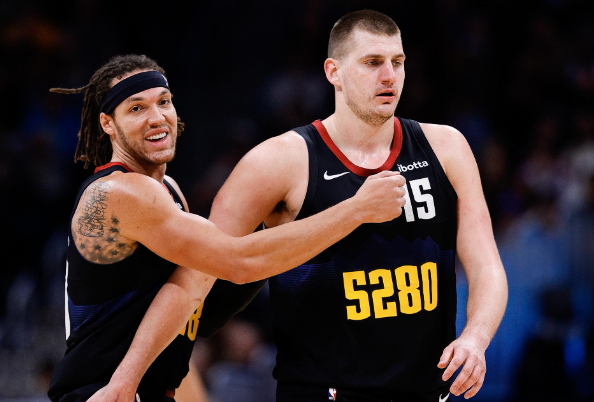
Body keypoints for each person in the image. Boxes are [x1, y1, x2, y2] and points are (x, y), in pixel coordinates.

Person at [94, 9, 508, 402]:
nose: (389, 76)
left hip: (426, 391)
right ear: (334, 72)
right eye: (372, 63)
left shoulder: (446, 147)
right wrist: (125, 378)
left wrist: (476, 337)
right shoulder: (276, 162)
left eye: (397, 63)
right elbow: (197, 279)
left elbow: (486, 264)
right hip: (322, 392)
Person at [46, 53, 407, 402]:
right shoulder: (119, 192)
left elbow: (197, 309)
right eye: (136, 108)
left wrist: (270, 226)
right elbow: (238, 262)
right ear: (108, 123)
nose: (156, 117)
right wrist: (356, 210)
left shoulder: (168, 191)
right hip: (102, 393)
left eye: (163, 102)